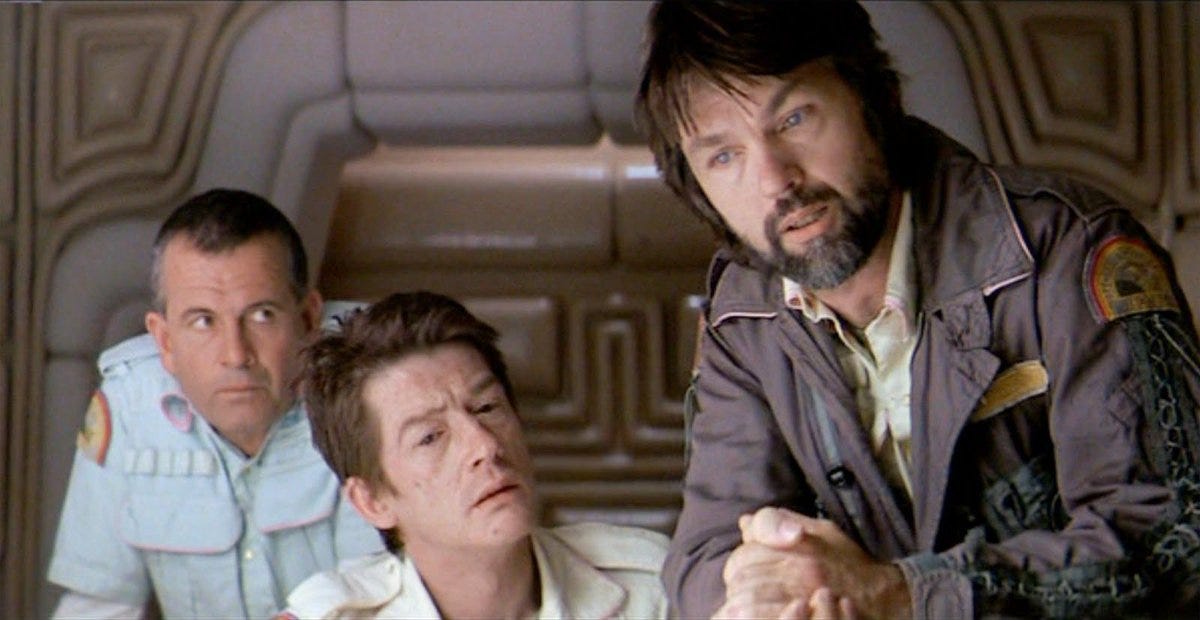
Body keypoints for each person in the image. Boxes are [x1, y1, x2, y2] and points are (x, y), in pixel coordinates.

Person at [634, 1, 1200, 618]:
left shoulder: (1065, 251)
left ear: (874, 98)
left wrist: (905, 594)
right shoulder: (741, 317)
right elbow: (706, 555)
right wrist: (762, 591)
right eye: (724, 156)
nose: (775, 181)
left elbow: (1172, 540)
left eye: (794, 119)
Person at [47, 189, 384, 619]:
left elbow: (381, 595)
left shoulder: (368, 393)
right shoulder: (130, 408)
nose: (236, 354)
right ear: (165, 340)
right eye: (203, 321)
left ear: (307, 320)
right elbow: (100, 605)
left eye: (262, 315)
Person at [280, 291, 670, 619]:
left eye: (486, 408)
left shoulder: (654, 590)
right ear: (371, 501)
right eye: (430, 437)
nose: (485, 446)